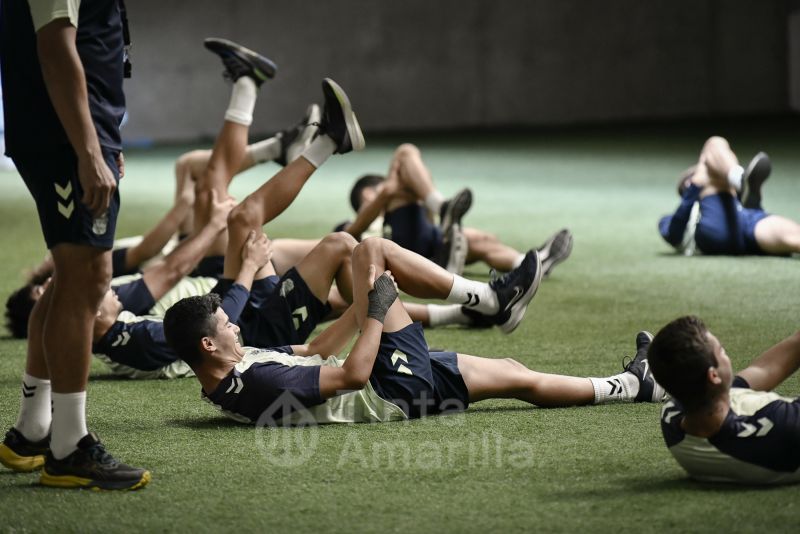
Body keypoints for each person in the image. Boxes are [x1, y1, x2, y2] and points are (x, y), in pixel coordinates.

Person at [162, 239, 664, 427]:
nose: (235, 324)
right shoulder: (260, 384)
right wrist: (376, 311)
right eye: (226, 324)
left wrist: (362, 308)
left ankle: (636, 386)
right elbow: (353, 376)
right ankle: (491, 298)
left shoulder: (232, 368)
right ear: (208, 345)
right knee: (370, 251)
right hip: (389, 389)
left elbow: (317, 348)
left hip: (388, 382)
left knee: (515, 374)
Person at [0, 0, 151, 489]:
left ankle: (34, 430)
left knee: (73, 276)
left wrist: (105, 140)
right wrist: (89, 149)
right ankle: (69, 448)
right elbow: (54, 46)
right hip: (62, 137)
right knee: (88, 277)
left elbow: (92, 47)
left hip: (77, 132)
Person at [341, 143, 574, 276]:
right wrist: (388, 191)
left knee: (481, 239)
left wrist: (408, 192)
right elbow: (351, 233)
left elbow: (425, 221)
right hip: (399, 252)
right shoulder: (354, 224)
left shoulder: (396, 197)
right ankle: (443, 207)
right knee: (405, 152)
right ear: (367, 195)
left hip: (427, 245)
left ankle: (534, 264)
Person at [648, 316, 800, 485]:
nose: (726, 354)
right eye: (722, 351)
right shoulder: (779, 425)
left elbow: (764, 370)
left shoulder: (675, 417)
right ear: (713, 375)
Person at [658, 136, 800, 256]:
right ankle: (739, 179)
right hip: (713, 227)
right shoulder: (671, 217)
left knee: (793, 236)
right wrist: (696, 185)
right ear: (688, 184)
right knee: (714, 143)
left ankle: (740, 181)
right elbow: (673, 235)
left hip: (747, 225)